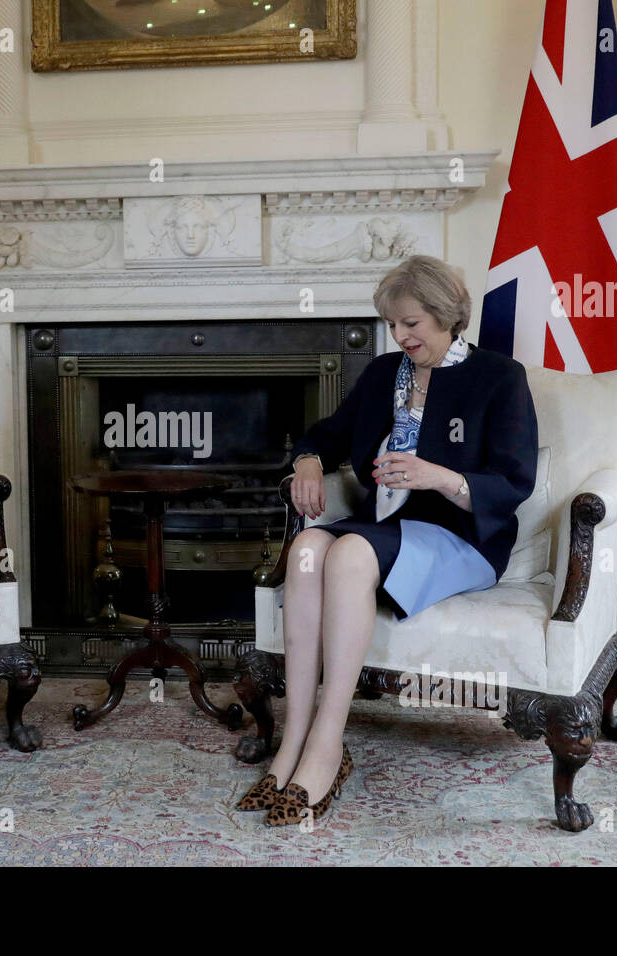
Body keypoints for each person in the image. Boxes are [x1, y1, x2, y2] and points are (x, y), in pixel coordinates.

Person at [235, 255, 538, 826]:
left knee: (347, 553)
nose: (400, 336)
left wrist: (436, 476)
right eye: (393, 325)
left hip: (463, 535)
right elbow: (328, 435)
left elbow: (513, 482)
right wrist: (305, 461)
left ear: (447, 316)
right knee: (304, 552)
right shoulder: (382, 375)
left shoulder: (499, 377)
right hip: (388, 530)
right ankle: (292, 740)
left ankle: (327, 744)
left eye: (412, 324)